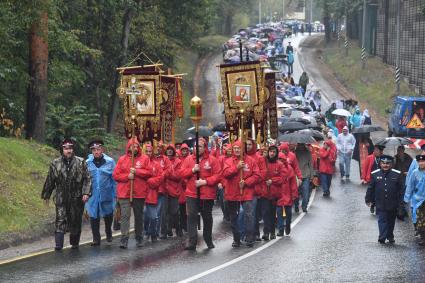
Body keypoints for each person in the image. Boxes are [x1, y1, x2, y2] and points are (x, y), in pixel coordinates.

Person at [42, 139, 91, 250]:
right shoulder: (55, 163)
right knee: (60, 219)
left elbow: (87, 179)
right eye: (66, 148)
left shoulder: (81, 162)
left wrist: (86, 193)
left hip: (76, 197)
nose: (68, 150)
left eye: (70, 148)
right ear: (62, 150)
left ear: (73, 149)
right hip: (61, 196)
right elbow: (50, 180)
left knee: (75, 220)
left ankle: (74, 244)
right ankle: (58, 246)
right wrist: (46, 195)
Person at [180, 138, 221, 250]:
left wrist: (205, 181)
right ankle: (192, 241)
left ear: (205, 147)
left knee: (207, 217)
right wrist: (192, 170)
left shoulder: (212, 160)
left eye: (200, 146)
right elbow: (182, 173)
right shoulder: (188, 159)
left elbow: (217, 175)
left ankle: (208, 238)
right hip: (192, 194)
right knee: (191, 216)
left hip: (207, 195)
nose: (197, 149)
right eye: (195, 146)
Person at [113, 137, 152, 248]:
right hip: (124, 193)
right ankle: (124, 238)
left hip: (138, 192)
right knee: (125, 216)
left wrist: (137, 171)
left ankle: (139, 237)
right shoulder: (122, 159)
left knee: (138, 216)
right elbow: (116, 175)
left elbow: (149, 173)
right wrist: (127, 176)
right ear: (128, 147)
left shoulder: (144, 159)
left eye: (136, 146)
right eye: (132, 146)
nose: (134, 148)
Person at [223, 140, 260, 247]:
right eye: (235, 148)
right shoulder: (229, 161)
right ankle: (236, 238)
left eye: (239, 148)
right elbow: (225, 173)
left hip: (247, 192)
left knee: (249, 215)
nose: (237, 150)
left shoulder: (251, 161)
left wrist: (247, 182)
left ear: (242, 149)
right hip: (232, 193)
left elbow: (257, 175)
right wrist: (237, 167)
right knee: (234, 217)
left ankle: (249, 237)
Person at [365, 155, 403, 244]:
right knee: (382, 219)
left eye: (387, 163)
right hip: (380, 202)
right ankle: (382, 236)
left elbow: (401, 189)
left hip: (393, 202)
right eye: (383, 163)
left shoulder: (397, 174)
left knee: (391, 220)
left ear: (391, 164)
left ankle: (390, 235)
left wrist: (401, 202)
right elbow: (370, 188)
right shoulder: (375, 174)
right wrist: (368, 199)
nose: (385, 165)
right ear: (380, 164)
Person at [85, 140, 116, 246]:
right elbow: (85, 180)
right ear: (92, 151)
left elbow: (114, 178)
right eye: (94, 150)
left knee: (108, 213)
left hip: (107, 192)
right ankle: (96, 238)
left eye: (98, 149)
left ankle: (108, 232)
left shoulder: (110, 162)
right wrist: (84, 193)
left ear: (102, 150)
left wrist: (116, 193)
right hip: (93, 194)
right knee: (94, 214)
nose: (96, 152)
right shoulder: (87, 163)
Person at [260, 145, 284, 240]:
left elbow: (282, 178)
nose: (272, 153)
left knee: (272, 213)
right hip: (264, 192)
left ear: (276, 153)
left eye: (274, 152)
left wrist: (272, 181)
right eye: (270, 151)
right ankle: (266, 232)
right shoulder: (264, 163)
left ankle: (272, 231)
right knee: (265, 213)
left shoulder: (279, 164)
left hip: (274, 193)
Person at [143, 144, 163, 242]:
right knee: (144, 215)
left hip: (152, 193)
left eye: (150, 151)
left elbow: (160, 178)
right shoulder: (139, 163)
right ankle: (146, 231)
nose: (148, 153)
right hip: (141, 193)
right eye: (146, 151)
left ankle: (153, 233)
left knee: (154, 216)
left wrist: (149, 181)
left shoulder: (156, 164)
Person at [405, 155, 425, 245]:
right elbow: (410, 186)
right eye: (419, 161)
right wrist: (407, 198)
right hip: (418, 200)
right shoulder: (414, 173)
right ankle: (422, 236)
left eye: (423, 161)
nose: (421, 163)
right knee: (419, 219)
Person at [164, 144, 183, 237]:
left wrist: (168, 173)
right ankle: (168, 229)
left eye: (171, 149)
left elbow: (178, 176)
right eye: (168, 149)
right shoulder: (163, 160)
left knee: (174, 211)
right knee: (165, 211)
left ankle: (178, 227)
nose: (169, 151)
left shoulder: (178, 162)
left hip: (174, 190)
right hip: (164, 189)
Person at [277, 152, 298, 236]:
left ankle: (288, 225)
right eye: (278, 159)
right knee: (279, 213)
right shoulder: (276, 168)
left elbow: (293, 183)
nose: (279, 161)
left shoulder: (289, 169)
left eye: (281, 160)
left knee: (288, 213)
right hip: (278, 194)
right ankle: (281, 229)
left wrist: (294, 194)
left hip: (287, 193)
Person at [394, 146, 412, 220]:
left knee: (404, 195)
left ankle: (402, 211)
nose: (399, 152)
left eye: (401, 151)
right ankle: (399, 212)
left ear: (403, 151)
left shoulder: (409, 158)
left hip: (406, 179)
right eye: (398, 151)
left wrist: (409, 172)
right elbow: (392, 168)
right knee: (399, 195)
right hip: (397, 179)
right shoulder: (394, 158)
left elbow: (413, 168)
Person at [294, 143, 314, 213]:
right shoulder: (295, 152)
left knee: (306, 193)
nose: (301, 146)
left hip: (306, 175)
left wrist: (312, 175)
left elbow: (311, 164)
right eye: (300, 145)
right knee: (296, 194)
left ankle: (304, 206)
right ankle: (296, 205)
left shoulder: (308, 152)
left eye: (302, 145)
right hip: (297, 176)